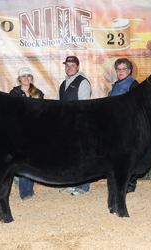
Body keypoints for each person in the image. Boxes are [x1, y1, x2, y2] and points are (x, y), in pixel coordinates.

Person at [58, 56, 92, 195]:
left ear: (78, 67)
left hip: (79, 125)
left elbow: (83, 106)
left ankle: (83, 186)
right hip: (67, 126)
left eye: (72, 65)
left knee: (81, 156)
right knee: (70, 156)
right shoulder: (63, 84)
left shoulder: (82, 82)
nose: (69, 67)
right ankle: (72, 184)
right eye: (67, 65)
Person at [9, 67, 44, 200]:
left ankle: (29, 189)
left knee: (32, 162)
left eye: (29, 76)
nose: (26, 78)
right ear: (19, 79)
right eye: (23, 76)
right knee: (23, 161)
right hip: (20, 132)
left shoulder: (38, 93)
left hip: (35, 132)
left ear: (31, 78)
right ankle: (25, 192)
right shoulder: (14, 93)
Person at [108, 58, 139, 193]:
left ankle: (130, 183)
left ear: (129, 70)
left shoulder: (133, 84)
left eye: (123, 69)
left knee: (127, 155)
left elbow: (137, 106)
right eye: (118, 69)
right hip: (115, 126)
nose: (120, 72)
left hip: (127, 126)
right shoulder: (116, 85)